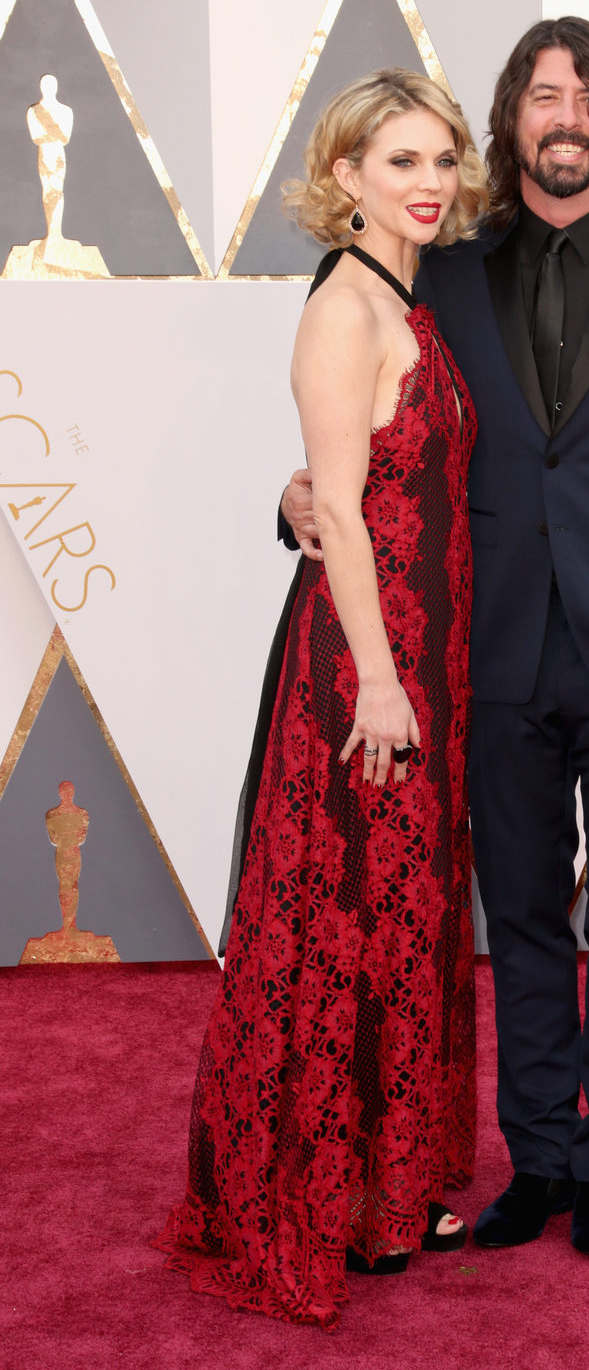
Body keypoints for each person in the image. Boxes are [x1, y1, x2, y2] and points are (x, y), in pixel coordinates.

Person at [280, 18, 589, 1260]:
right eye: (543, 94)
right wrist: (291, 509)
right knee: (524, 919)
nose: (566, 115)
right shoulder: (432, 267)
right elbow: (371, 449)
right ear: (514, 119)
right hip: (483, 656)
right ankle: (539, 1158)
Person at [154, 68, 488, 1328]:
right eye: (402, 161)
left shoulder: (406, 289)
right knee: (351, 920)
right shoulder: (347, 308)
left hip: (420, 658)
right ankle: (336, 1199)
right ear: (344, 175)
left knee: (401, 912)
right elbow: (340, 508)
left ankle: (388, 1193)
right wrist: (385, 680)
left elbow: (360, 485)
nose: (431, 183)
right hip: (370, 668)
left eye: (444, 159)